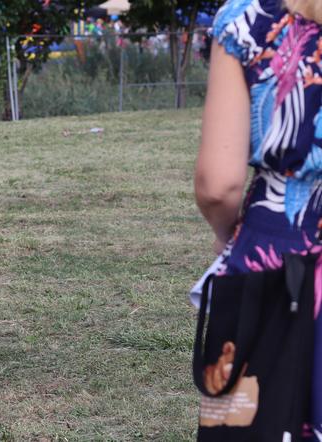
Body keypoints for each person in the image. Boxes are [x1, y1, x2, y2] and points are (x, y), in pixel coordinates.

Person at [195, 0, 322, 436]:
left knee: (255, 423)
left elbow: (218, 185)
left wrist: (227, 234)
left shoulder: (249, 18)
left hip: (277, 256)